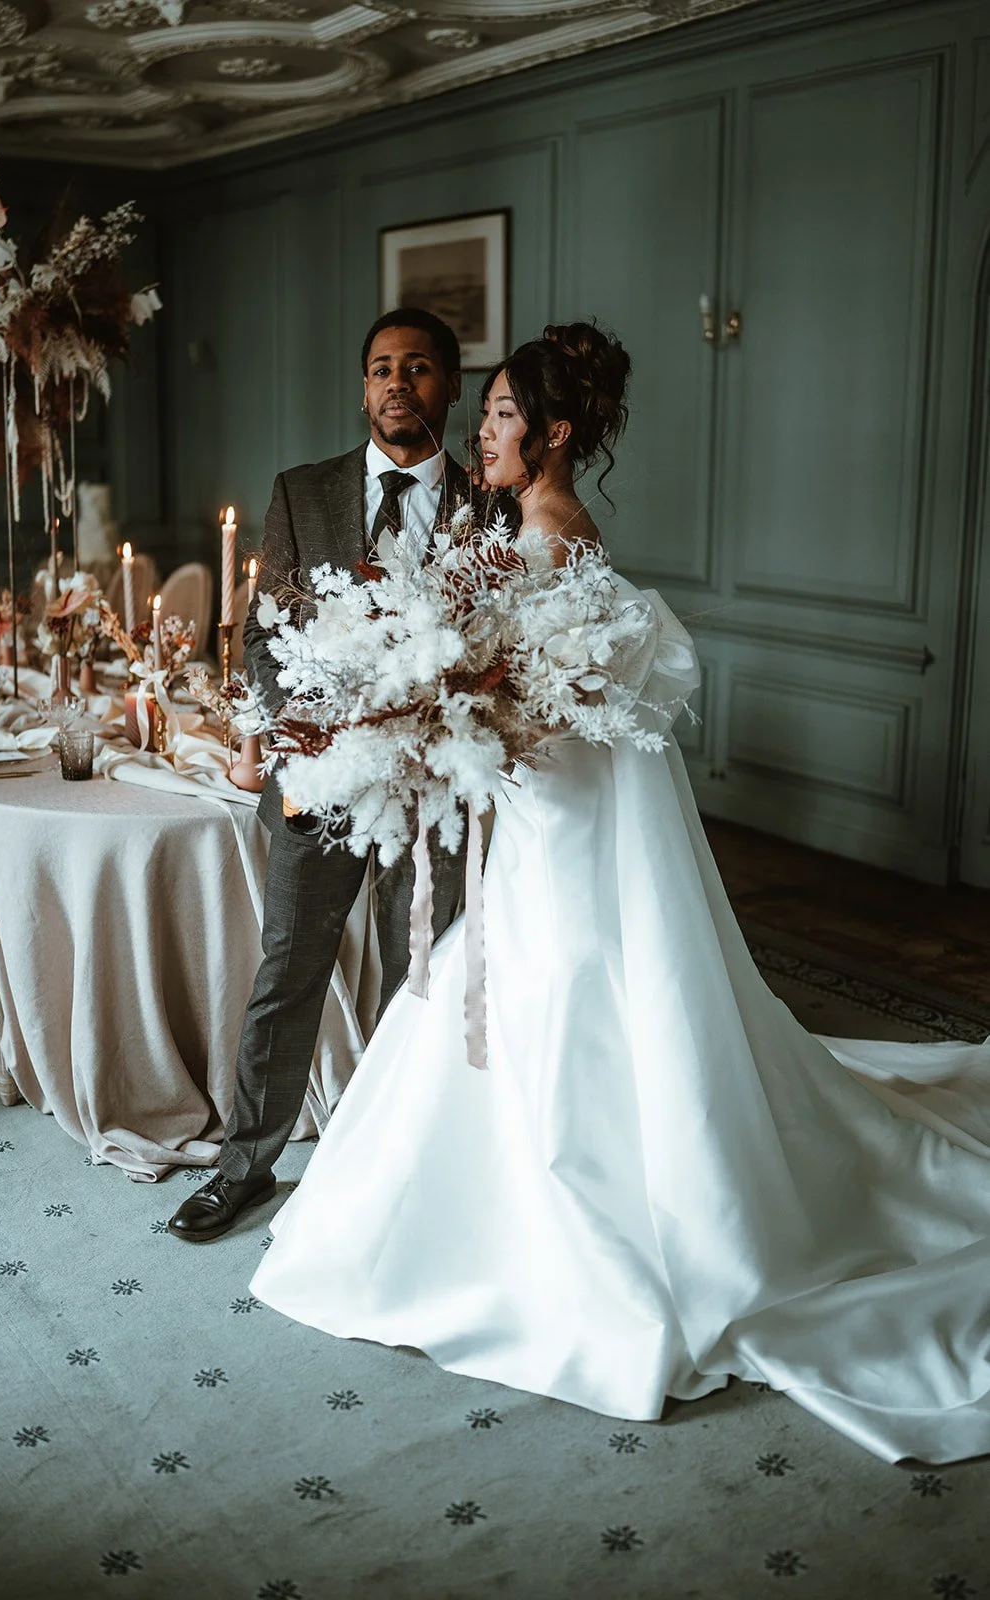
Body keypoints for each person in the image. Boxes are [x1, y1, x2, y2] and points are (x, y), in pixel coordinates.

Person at [248, 320, 990, 1465]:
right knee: (515, 986)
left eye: (501, 414)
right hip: (543, 816)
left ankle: (574, 1224)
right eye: (486, 412)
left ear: (549, 434)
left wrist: (449, 714)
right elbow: (529, 690)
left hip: (559, 823)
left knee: (561, 995)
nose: (482, 431)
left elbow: (545, 709)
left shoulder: (550, 537)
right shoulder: (528, 527)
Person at [169, 308, 502, 1243]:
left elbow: (495, 649)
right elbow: (262, 633)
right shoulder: (302, 490)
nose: (398, 383)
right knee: (288, 973)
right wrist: (310, 724)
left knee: (414, 976)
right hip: (318, 777)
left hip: (430, 786)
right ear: (363, 389)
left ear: (450, 386)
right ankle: (243, 1168)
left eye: (418, 367)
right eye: (381, 368)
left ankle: (392, 1170)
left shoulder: (489, 505)